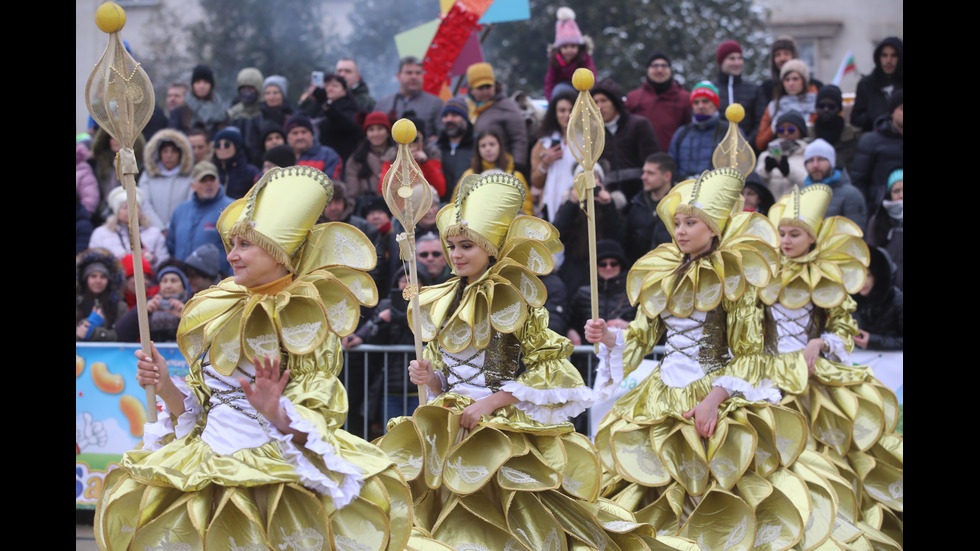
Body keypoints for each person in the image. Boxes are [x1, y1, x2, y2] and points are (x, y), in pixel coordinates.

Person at [94, 166, 418, 551]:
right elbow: (198, 412)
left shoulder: (306, 321)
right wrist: (164, 384)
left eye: (244, 245)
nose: (231, 256)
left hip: (275, 474)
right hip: (205, 468)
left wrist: (276, 412)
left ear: (280, 254)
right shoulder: (218, 309)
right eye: (231, 245)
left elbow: (318, 422)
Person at [380, 172, 650, 549]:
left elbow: (550, 368)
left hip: (501, 425)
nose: (456, 254)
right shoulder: (439, 300)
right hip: (448, 423)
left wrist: (490, 402)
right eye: (452, 246)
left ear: (490, 248)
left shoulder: (518, 301)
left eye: (466, 246)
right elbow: (444, 377)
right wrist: (428, 377)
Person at [584, 168, 815, 549]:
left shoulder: (735, 280)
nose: (681, 231)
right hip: (662, 391)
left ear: (713, 229)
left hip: (714, 394)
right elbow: (643, 335)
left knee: (716, 486)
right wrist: (608, 335)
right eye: (677, 223)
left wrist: (713, 400)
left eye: (691, 223)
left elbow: (749, 353)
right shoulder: (663, 272)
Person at [759, 185, 904, 533]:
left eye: (795, 234)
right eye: (781, 233)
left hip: (812, 377)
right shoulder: (764, 274)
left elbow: (844, 326)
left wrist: (819, 341)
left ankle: (830, 519)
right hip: (768, 374)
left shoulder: (826, 275)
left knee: (824, 449)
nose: (786, 240)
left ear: (812, 238)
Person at [591, 78, 660, 200]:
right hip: (608, 199)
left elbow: (654, 162)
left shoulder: (639, 125)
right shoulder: (593, 133)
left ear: (615, 102)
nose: (599, 106)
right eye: (595, 102)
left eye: (604, 100)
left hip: (641, 196)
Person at [166, 161, 235, 276]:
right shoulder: (180, 210)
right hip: (184, 283)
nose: (209, 184)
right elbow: (171, 246)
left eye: (212, 179)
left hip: (217, 284)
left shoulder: (231, 209)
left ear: (218, 182)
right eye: (203, 180)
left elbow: (239, 249)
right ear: (193, 185)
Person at [462, 62, 529, 172]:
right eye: (480, 88)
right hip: (483, 168)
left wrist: (517, 167)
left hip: (506, 168)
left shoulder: (506, 106)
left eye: (488, 86)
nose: (485, 91)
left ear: (494, 85)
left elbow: (519, 138)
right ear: (471, 89)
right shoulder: (472, 108)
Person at [566, 239, 635, 346]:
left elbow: (649, 328)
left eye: (613, 263)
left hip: (625, 357)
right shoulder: (582, 294)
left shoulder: (634, 293)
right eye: (603, 264)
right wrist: (570, 331)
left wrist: (629, 325)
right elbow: (569, 322)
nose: (608, 268)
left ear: (621, 265)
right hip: (589, 359)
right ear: (595, 267)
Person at [89, 187, 170, 273]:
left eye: (135, 206)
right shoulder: (100, 234)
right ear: (117, 211)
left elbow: (165, 264)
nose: (131, 211)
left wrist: (152, 259)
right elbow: (94, 263)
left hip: (146, 282)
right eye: (125, 207)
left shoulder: (154, 233)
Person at [454, 130, 532, 216]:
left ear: (500, 146)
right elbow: (455, 208)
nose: (488, 149)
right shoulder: (469, 176)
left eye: (492, 144)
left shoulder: (516, 176)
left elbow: (527, 212)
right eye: (483, 146)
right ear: (478, 150)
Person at [625, 52, 692, 151]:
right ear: (648, 70)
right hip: (640, 160)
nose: (659, 70)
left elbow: (690, 132)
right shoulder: (633, 97)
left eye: (664, 66)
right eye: (655, 66)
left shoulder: (685, 98)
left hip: (672, 159)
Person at [668, 81, 733, 180]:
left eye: (705, 101)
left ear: (715, 104)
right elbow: (671, 165)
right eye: (696, 102)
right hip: (684, 191)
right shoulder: (682, 132)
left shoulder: (729, 132)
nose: (700, 106)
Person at [530, 90, 577, 222]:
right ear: (554, 113)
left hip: (579, 204)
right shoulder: (543, 143)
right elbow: (535, 182)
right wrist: (545, 163)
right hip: (549, 203)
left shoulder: (586, 141)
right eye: (562, 110)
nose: (567, 115)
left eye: (571, 110)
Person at [850, 91, 903, 209]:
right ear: (892, 113)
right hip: (880, 212)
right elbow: (859, 182)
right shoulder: (871, 141)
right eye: (902, 109)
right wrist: (868, 210)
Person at [803, 139, 868, 231]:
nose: (815, 165)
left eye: (821, 159)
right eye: (810, 160)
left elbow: (855, 235)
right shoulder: (799, 194)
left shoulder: (850, 194)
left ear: (831, 162)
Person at [137, 128, 194, 230]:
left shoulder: (190, 176)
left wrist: (170, 228)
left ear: (181, 154)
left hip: (180, 229)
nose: (169, 155)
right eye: (165, 151)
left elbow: (189, 204)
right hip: (152, 231)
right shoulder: (147, 176)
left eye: (173, 151)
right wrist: (160, 228)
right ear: (158, 153)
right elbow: (144, 203)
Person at [754, 59, 817, 151]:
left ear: (804, 80)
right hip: (779, 155)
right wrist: (774, 128)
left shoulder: (815, 104)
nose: (791, 83)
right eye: (787, 79)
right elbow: (760, 143)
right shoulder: (773, 107)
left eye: (795, 79)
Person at [375, 56, 444, 140]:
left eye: (418, 73)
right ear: (398, 76)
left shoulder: (435, 104)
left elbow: (442, 137)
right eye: (409, 73)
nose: (414, 77)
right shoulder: (383, 104)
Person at [623, 152, 675, 263]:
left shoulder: (680, 206)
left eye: (650, 173)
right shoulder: (636, 204)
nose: (643, 177)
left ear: (667, 176)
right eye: (644, 172)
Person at [854, 246, 903, 351]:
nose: (862, 281)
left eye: (868, 275)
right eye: (859, 274)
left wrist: (872, 341)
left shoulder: (897, 301)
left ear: (879, 276)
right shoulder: (853, 302)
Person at [712, 40, 761, 144]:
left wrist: (746, 145)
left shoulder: (753, 89)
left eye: (740, 58)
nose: (737, 63)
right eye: (732, 58)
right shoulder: (711, 89)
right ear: (721, 61)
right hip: (716, 151)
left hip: (746, 151)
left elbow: (759, 123)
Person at [850, 37, 903, 132]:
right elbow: (855, 119)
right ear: (878, 57)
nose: (888, 60)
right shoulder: (866, 84)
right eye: (884, 55)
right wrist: (872, 115)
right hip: (875, 139)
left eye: (894, 56)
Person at [754, 110, 811, 199]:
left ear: (801, 131)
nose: (785, 133)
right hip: (771, 208)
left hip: (796, 207)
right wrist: (766, 170)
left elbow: (810, 183)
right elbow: (755, 186)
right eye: (781, 129)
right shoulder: (766, 154)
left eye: (791, 129)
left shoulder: (808, 153)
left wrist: (788, 172)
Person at [75, 248, 128, 342]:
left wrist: (95, 332)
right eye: (93, 276)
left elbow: (123, 335)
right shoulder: (78, 304)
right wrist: (84, 327)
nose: (98, 281)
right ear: (85, 279)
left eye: (103, 276)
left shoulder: (119, 306)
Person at [543, 7, 596, 100]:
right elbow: (550, 81)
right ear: (559, 48)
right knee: (559, 90)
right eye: (565, 47)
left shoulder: (584, 58)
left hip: (583, 90)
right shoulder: (556, 60)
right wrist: (551, 101)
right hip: (563, 93)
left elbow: (592, 78)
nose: (569, 50)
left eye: (573, 46)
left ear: (579, 47)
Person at [809, 84, 862, 171]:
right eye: (822, 106)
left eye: (831, 106)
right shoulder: (808, 135)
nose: (826, 110)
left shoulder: (853, 135)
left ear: (839, 108)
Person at [866, 168, 903, 290]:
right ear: (889, 194)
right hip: (888, 289)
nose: (901, 195)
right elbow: (871, 256)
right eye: (896, 191)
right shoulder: (877, 221)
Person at [312, 73, 363, 162]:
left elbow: (345, 123)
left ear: (344, 91)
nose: (330, 89)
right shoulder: (319, 107)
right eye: (327, 86)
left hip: (340, 158)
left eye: (335, 86)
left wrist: (326, 104)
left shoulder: (350, 107)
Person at [435, 98, 475, 201]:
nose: (449, 119)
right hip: (439, 209)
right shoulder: (434, 149)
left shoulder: (478, 147)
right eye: (445, 116)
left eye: (454, 115)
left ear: (465, 118)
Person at [226, 67, 267, 164]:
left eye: (250, 89)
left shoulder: (266, 111)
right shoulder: (233, 114)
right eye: (243, 89)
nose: (246, 93)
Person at [285, 113, 343, 180]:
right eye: (295, 133)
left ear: (312, 135)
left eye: (304, 132)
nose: (300, 137)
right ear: (288, 137)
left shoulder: (328, 155)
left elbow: (332, 184)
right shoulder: (281, 156)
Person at [212, 126, 260, 200]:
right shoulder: (211, 171)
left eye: (226, 144)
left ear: (236, 147)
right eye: (218, 145)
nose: (222, 148)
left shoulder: (250, 172)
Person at [182, 64, 228, 134]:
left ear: (211, 86)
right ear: (193, 85)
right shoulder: (182, 110)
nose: (202, 86)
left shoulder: (221, 111)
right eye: (198, 82)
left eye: (206, 82)